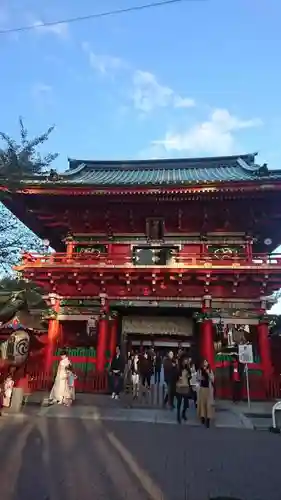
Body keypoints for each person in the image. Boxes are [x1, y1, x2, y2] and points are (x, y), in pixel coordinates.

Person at [197, 359, 215, 428]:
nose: (205, 363)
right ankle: (203, 417)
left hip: (208, 389)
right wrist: (200, 377)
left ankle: (208, 419)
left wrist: (208, 374)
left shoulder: (210, 370)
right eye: (204, 362)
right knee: (202, 404)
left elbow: (213, 379)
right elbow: (197, 378)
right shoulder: (200, 370)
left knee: (208, 405)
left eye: (206, 362)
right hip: (202, 389)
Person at [175, 357, 191, 424]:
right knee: (179, 402)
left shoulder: (188, 369)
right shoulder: (178, 369)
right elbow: (175, 377)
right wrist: (178, 378)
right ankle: (178, 416)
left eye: (186, 361)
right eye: (184, 361)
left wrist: (189, 376)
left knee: (186, 403)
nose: (185, 363)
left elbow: (190, 377)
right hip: (179, 387)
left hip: (186, 387)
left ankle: (183, 413)